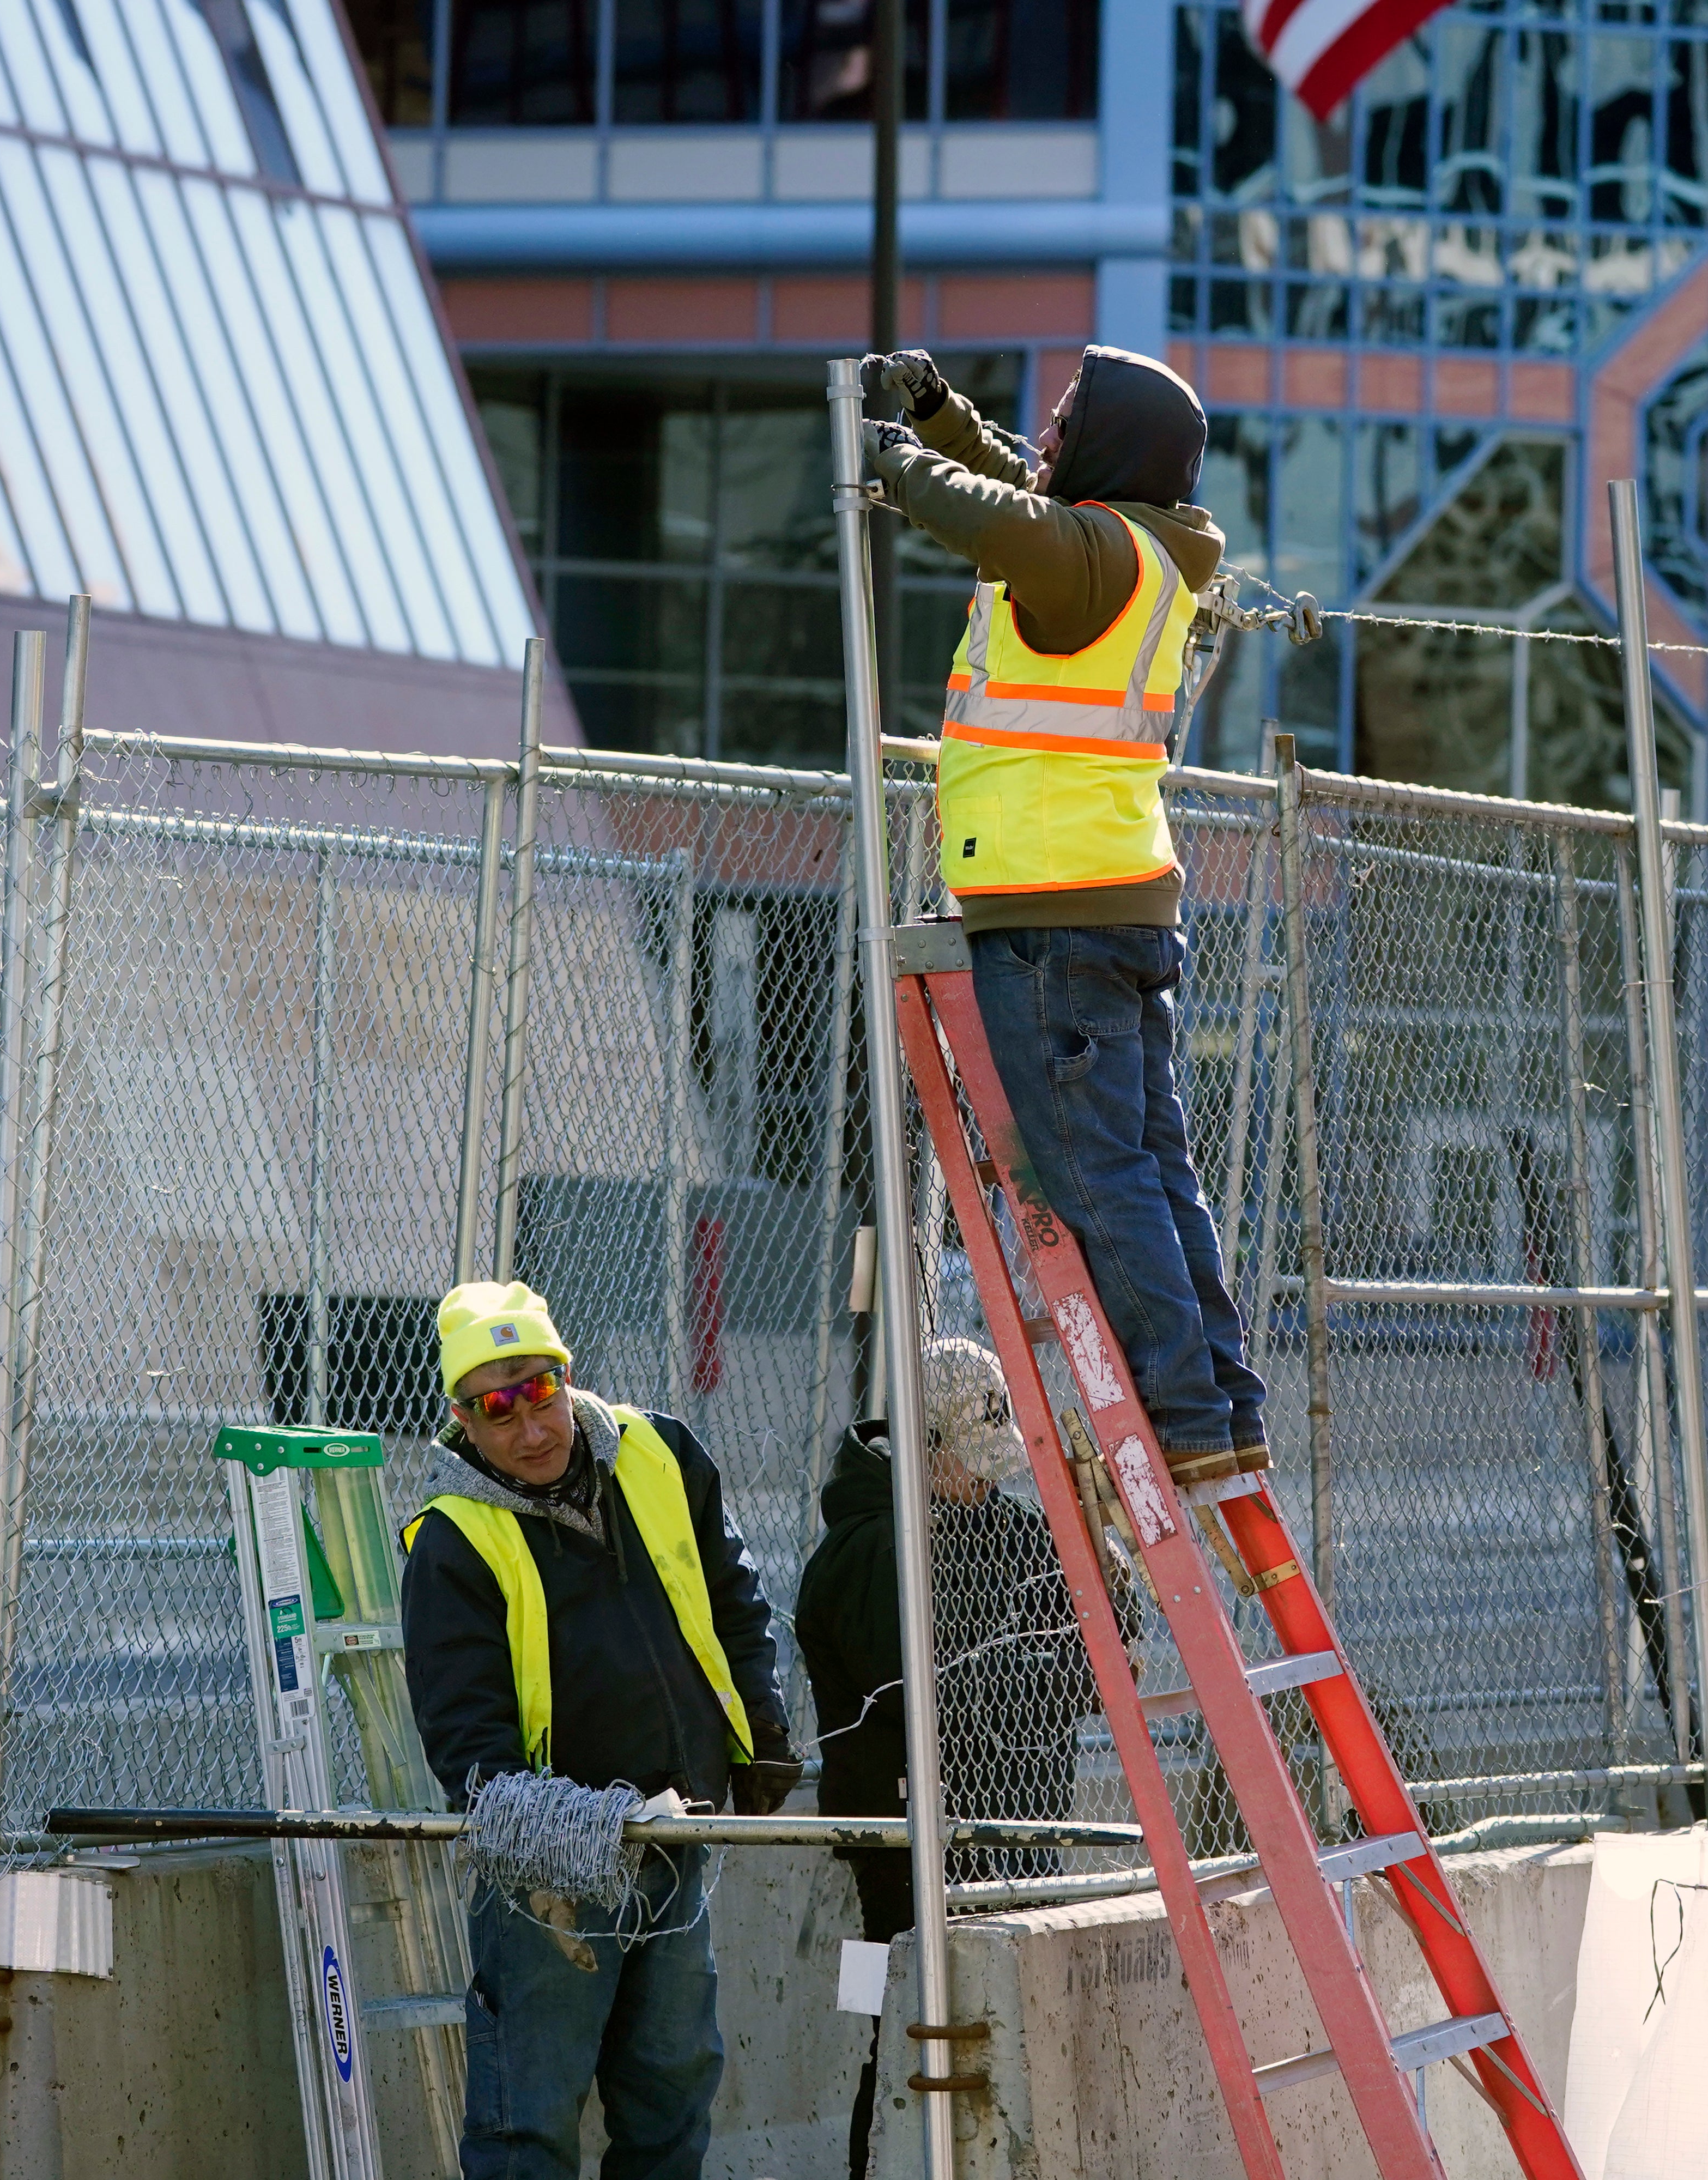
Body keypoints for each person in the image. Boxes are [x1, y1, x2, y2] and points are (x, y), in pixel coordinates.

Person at [863, 344, 1268, 1491]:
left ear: (1111, 443)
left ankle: (1181, 1413)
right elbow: (1016, 485)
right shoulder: (1139, 548)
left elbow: (1002, 518)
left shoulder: (1083, 556)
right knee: (1153, 1167)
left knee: (1098, 1176)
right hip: (1118, 897)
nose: (1047, 429)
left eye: (1070, 414)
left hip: (1049, 911)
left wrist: (892, 463)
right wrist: (941, 420)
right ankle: (1223, 1400)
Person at [400, 1279, 801, 2180]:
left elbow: (734, 1598)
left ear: (567, 1376)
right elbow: (466, 1744)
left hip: (676, 1832)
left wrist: (760, 1720)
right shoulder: (453, 1542)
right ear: (462, 1420)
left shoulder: (661, 1454)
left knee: (673, 2093)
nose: (529, 1428)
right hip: (550, 1868)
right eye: (496, 1410)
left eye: (539, 1391)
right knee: (529, 2121)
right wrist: (563, 1835)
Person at [796, 1336, 1131, 2179]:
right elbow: (929, 1698)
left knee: (1011, 2023)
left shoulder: (1008, 1528)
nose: (988, 1482)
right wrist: (1037, 1679)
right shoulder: (867, 1551)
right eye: (969, 1461)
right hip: (895, 1851)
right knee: (889, 2018)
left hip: (1018, 1824)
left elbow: (1106, 1660)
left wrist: (1096, 1596)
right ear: (920, 1447)